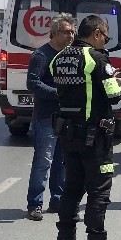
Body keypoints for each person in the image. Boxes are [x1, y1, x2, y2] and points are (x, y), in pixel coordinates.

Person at [50, 15, 121, 240]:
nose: (106, 41)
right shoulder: (97, 58)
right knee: (98, 192)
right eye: (106, 36)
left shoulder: (59, 58)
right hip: (96, 137)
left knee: (71, 189)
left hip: (68, 135)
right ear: (95, 34)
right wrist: (118, 83)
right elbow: (115, 97)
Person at [25, 15, 76, 221]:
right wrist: (58, 93)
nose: (70, 35)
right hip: (46, 117)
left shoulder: (70, 55)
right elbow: (33, 84)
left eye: (73, 31)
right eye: (66, 32)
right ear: (54, 33)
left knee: (62, 162)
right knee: (43, 162)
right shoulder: (41, 55)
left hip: (67, 117)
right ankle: (35, 204)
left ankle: (57, 200)